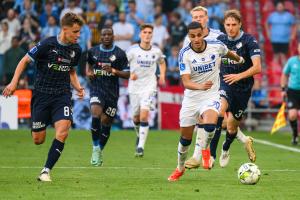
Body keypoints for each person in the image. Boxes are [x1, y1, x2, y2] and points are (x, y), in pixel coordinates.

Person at [2, 13, 85, 182]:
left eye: (79, 32)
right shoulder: (47, 44)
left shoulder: (76, 49)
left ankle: (46, 171)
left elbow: (71, 71)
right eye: (75, 31)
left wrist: (78, 87)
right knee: (38, 140)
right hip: (41, 95)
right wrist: (13, 82)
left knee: (63, 132)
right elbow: (25, 60)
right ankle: (37, 129)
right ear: (65, 29)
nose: (78, 35)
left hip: (62, 95)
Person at [168, 21, 245, 182]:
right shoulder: (185, 53)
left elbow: (227, 52)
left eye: (198, 35)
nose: (196, 39)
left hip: (211, 96)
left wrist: (239, 59)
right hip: (192, 98)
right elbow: (186, 82)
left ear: (203, 33)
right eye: (192, 36)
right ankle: (180, 168)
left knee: (210, 125)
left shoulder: (215, 45)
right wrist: (200, 86)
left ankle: (204, 151)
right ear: (189, 37)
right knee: (185, 140)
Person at [183, 6, 252, 170]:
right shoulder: (188, 39)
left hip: (217, 85)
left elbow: (225, 55)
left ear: (207, 18)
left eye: (201, 16)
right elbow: (186, 62)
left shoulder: (217, 36)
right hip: (198, 87)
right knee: (211, 122)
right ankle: (206, 156)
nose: (198, 20)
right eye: (195, 17)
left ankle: (205, 156)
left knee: (216, 120)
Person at [216, 9, 261, 167]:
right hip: (225, 83)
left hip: (243, 88)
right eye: (227, 24)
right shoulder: (220, 40)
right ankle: (210, 155)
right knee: (219, 110)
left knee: (231, 126)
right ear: (224, 25)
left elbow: (257, 68)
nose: (230, 28)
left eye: (234, 24)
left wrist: (239, 76)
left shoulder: (249, 41)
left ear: (240, 24)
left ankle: (226, 148)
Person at [86, 26, 130, 166]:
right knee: (95, 114)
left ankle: (99, 150)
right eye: (104, 34)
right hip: (97, 89)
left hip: (112, 93)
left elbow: (128, 74)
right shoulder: (93, 51)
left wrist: (113, 70)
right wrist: (89, 73)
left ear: (113, 36)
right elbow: (88, 66)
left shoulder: (120, 53)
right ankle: (94, 147)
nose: (106, 37)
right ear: (100, 37)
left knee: (106, 124)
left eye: (109, 34)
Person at [126, 23, 166, 157]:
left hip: (149, 87)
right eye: (145, 32)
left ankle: (141, 147)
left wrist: (162, 76)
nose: (147, 35)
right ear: (140, 34)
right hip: (134, 88)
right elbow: (122, 65)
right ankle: (139, 135)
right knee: (136, 117)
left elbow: (162, 62)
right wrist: (129, 74)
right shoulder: (132, 51)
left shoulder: (156, 51)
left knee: (144, 115)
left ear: (152, 35)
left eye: (150, 33)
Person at [265, 1, 296, 66]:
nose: (280, 8)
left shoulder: (289, 16)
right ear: (276, 7)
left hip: (285, 39)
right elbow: (266, 24)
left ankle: (284, 72)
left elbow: (294, 25)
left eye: (281, 6)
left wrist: (293, 35)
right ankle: (274, 72)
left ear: (284, 7)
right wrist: (268, 33)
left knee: (283, 56)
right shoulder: (272, 15)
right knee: (276, 55)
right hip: (274, 39)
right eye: (278, 6)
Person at [281, 41, 300, 145]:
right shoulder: (292, 61)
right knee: (292, 115)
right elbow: (284, 75)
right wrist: (283, 89)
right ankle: (295, 135)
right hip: (293, 91)